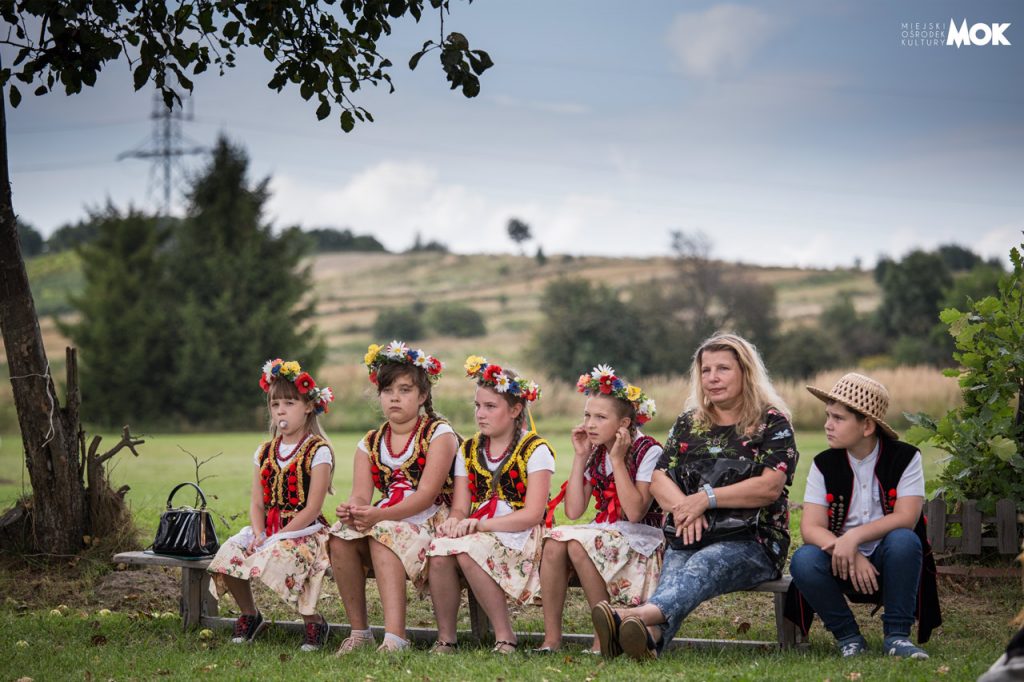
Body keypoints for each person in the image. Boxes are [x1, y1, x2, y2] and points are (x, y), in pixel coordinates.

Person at [591, 332, 799, 660]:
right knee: (677, 580)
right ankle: (651, 641)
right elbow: (659, 477)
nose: (712, 378)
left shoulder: (772, 424)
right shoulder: (690, 423)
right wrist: (687, 508)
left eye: (723, 369)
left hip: (752, 541)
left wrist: (706, 499)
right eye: (706, 370)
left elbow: (769, 487)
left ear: (745, 372)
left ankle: (628, 618)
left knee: (700, 567)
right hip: (689, 533)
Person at [785, 373, 940, 659]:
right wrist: (849, 550)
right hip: (841, 561)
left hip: (890, 561)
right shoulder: (824, 464)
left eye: (838, 418)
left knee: (905, 540)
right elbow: (811, 528)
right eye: (827, 416)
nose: (827, 425)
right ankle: (848, 637)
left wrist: (854, 537)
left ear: (867, 425)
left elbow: (907, 517)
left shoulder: (906, 458)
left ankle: (896, 636)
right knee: (804, 560)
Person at [328, 341, 457, 654]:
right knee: (339, 536)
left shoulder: (439, 434)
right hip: (387, 517)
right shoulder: (370, 442)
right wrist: (353, 509)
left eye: (405, 390)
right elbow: (361, 493)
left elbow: (426, 495)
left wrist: (378, 517)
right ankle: (360, 632)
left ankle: (396, 637)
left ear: (422, 395)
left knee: (383, 533)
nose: (395, 398)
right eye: (388, 391)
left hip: (429, 519)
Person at [426, 356, 553, 654]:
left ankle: (504, 635)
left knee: (470, 551)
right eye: (477, 406)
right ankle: (447, 638)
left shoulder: (535, 449)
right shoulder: (468, 449)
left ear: (515, 410)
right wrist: (454, 522)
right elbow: (461, 506)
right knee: (440, 550)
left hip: (520, 531)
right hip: (479, 528)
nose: (480, 414)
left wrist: (480, 525)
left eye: (490, 407)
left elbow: (534, 513)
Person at [207, 358, 336, 651]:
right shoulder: (264, 451)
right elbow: (257, 502)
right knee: (229, 552)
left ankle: (314, 621)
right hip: (269, 529)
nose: (281, 410)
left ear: (307, 407)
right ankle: (250, 614)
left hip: (305, 530)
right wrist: (259, 533)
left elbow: (313, 508)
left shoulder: (318, 451)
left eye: (289, 403)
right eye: (275, 404)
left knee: (286, 554)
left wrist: (276, 537)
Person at [538, 365, 663, 654]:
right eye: (587, 415)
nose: (590, 424)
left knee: (578, 545)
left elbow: (635, 513)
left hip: (642, 539)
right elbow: (573, 510)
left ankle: (601, 638)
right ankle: (552, 639)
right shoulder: (595, 452)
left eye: (600, 417)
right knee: (554, 542)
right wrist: (581, 456)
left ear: (624, 424)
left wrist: (618, 460)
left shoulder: (648, 450)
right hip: (608, 533)